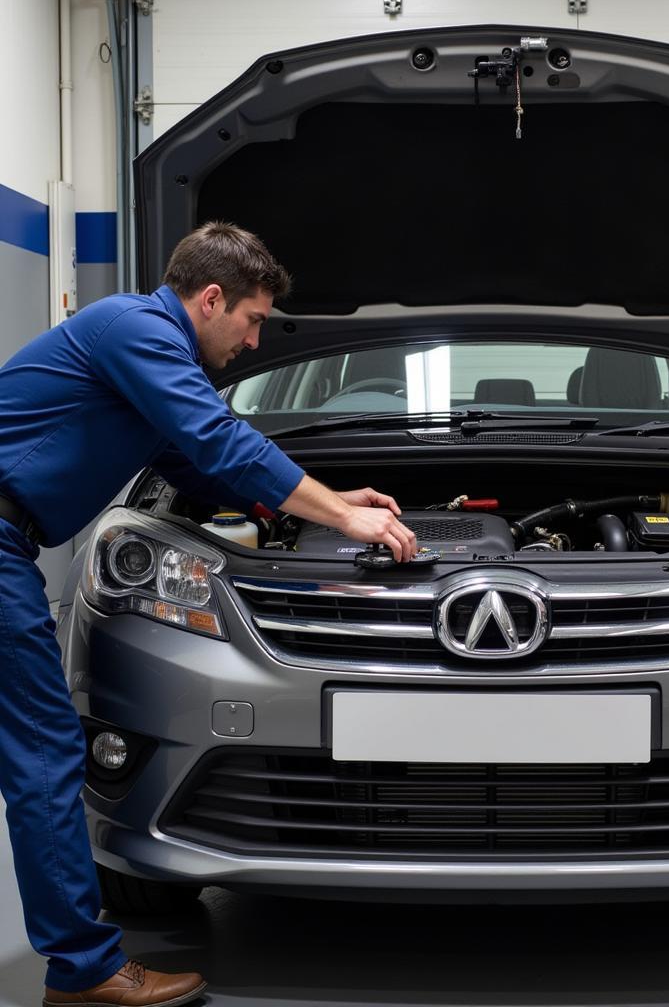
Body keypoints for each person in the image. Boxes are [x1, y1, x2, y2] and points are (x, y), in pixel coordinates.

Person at [0, 221, 417, 1006]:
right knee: (45, 752)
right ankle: (83, 974)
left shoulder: (146, 354)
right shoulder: (138, 328)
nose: (256, 340)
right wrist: (345, 521)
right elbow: (216, 435)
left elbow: (193, 467)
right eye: (255, 319)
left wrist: (324, 505)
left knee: (34, 750)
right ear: (213, 297)